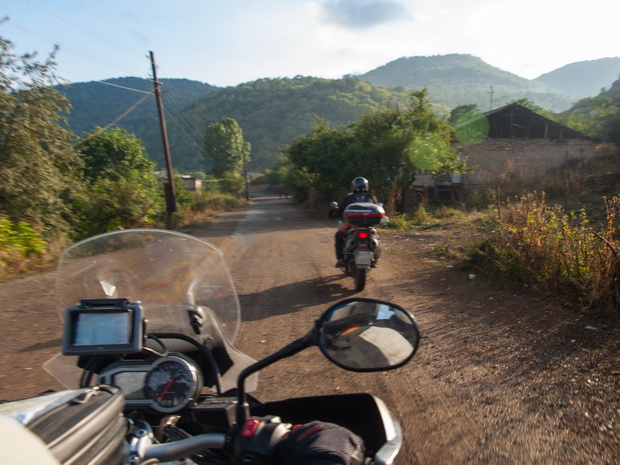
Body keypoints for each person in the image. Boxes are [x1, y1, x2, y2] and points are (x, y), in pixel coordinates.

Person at [331, 177, 378, 267]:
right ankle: (375, 260)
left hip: (351, 226)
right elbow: (376, 209)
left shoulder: (349, 198)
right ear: (366, 186)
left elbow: (341, 210)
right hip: (368, 226)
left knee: (339, 236)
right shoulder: (371, 197)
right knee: (376, 238)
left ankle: (340, 259)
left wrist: (334, 214)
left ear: (354, 186)